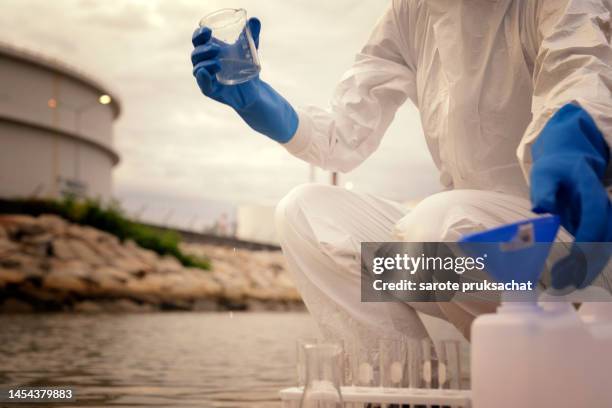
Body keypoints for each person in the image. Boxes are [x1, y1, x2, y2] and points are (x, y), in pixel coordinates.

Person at [191, 0, 612, 342]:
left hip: (575, 250)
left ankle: (534, 376)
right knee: (305, 214)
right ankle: (399, 384)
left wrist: (570, 143)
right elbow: (342, 136)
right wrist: (261, 102)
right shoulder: (410, 13)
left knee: (436, 226)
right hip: (461, 261)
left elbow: (580, 73)